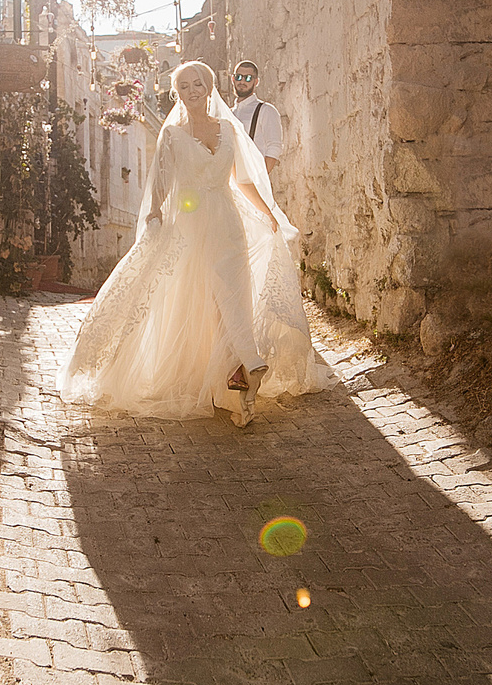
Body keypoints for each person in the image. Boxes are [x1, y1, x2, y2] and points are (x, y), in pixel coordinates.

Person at [61, 61, 330, 426]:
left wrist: (268, 214)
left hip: (227, 224)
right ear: (177, 92)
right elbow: (161, 180)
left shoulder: (227, 131)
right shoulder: (171, 134)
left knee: (232, 297)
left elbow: (244, 181)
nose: (192, 91)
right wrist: (155, 211)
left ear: (209, 86)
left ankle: (244, 370)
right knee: (205, 303)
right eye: (184, 86)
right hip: (190, 226)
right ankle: (242, 376)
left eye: (198, 83)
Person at [231, 61, 287, 167]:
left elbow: (274, 147)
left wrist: (260, 179)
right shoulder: (228, 113)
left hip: (253, 177)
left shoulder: (266, 110)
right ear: (233, 79)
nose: (242, 81)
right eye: (238, 77)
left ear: (256, 82)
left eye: (248, 78)